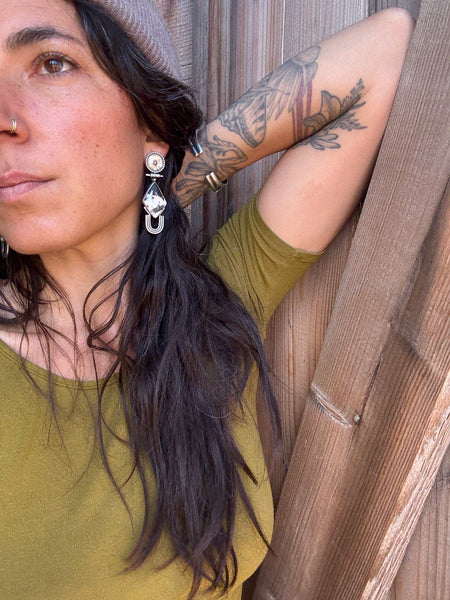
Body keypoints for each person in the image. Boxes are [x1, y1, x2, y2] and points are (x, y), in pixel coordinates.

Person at [0, 1, 413, 599]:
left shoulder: (217, 305)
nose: (5, 116)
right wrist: (149, 171)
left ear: (149, 115)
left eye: (52, 63)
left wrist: (163, 171)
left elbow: (386, 49)